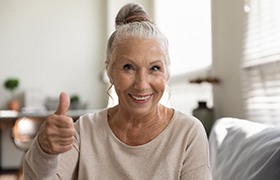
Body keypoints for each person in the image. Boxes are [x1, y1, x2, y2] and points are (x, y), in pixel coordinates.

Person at [23, 3, 212, 180]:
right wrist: (45, 151)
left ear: (167, 73)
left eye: (154, 68)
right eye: (128, 67)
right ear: (110, 71)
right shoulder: (84, 129)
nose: (142, 84)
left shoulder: (188, 133)